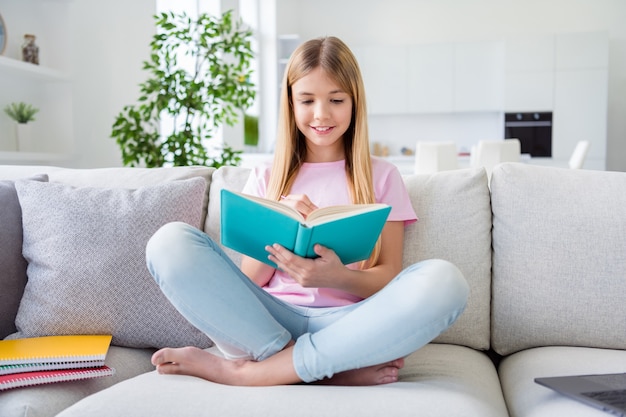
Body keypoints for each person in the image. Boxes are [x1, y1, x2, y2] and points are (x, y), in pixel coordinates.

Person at [146, 36, 469, 386]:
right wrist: (279, 226)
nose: (321, 114)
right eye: (307, 100)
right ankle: (326, 370)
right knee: (168, 241)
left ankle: (252, 372)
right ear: (291, 104)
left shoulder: (383, 176)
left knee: (446, 281)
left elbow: (388, 277)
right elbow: (249, 280)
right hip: (268, 323)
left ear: (355, 103)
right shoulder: (266, 177)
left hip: (348, 324)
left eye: (336, 100)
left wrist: (336, 277)